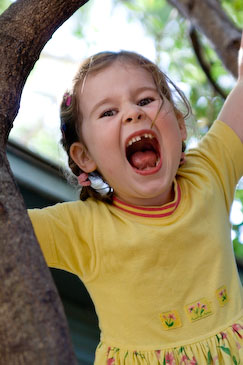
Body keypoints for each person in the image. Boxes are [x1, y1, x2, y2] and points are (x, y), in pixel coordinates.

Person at [29, 36, 243, 364]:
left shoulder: (210, 172)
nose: (132, 113)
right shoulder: (82, 227)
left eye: (144, 100)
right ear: (85, 156)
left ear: (179, 125)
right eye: (109, 112)